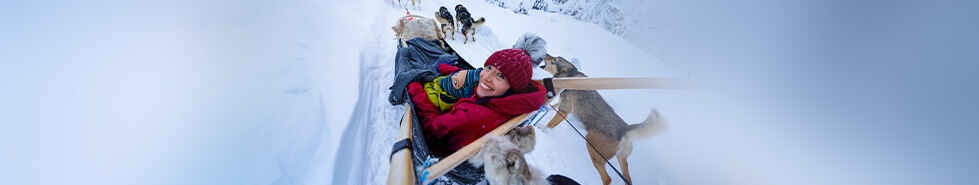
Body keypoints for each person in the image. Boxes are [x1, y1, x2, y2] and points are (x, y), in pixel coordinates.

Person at [407, 48, 547, 157]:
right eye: (488, 67)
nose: (485, 77)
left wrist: (415, 89)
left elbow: (433, 130)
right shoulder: (499, 98)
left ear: (512, 89)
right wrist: (451, 71)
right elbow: (471, 75)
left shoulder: (473, 116)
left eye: (500, 75)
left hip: (440, 147)